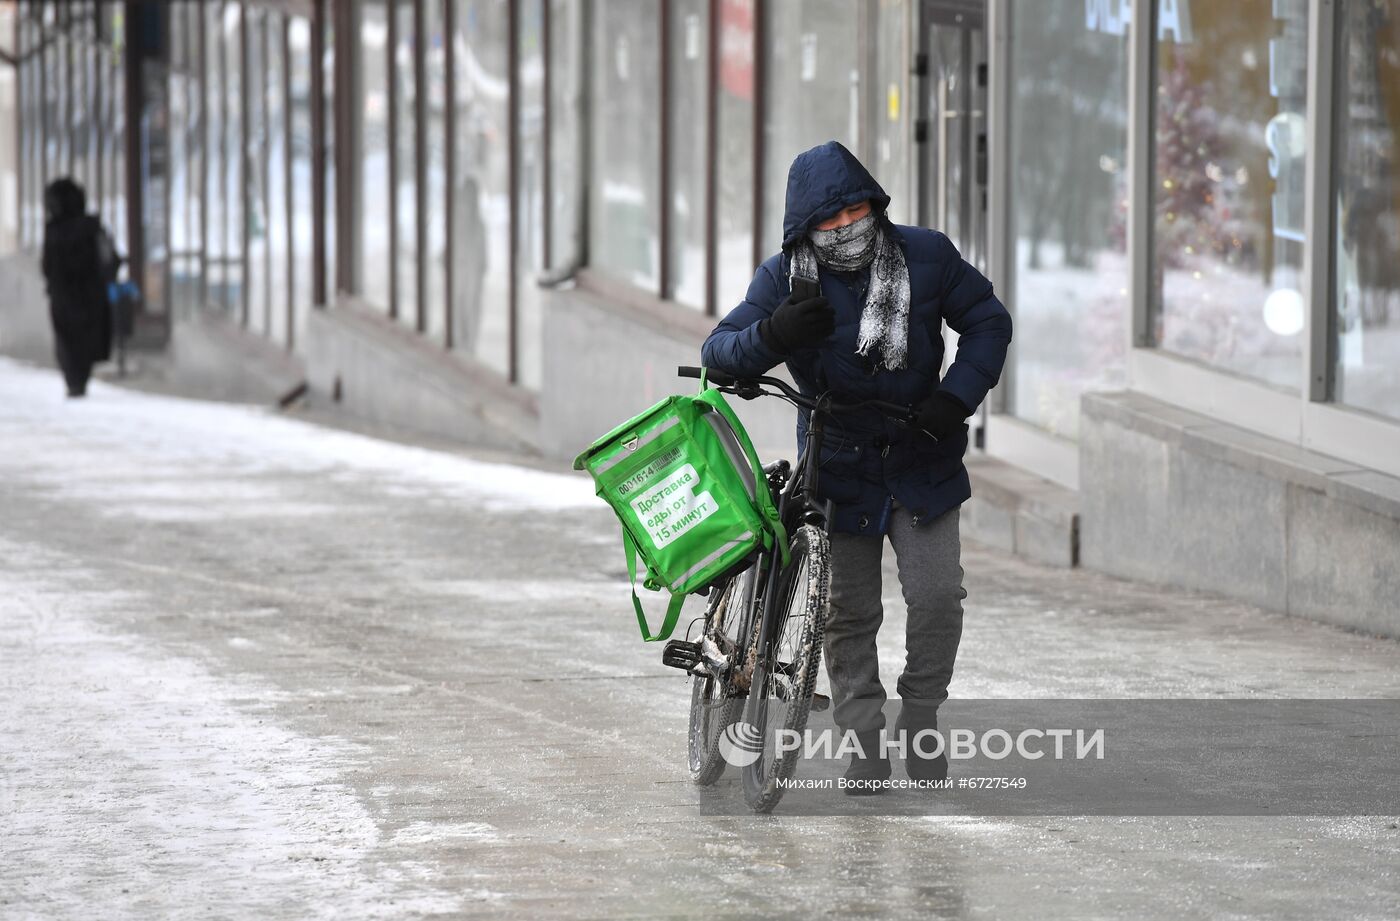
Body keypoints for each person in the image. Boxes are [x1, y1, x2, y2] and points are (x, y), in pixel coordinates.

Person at [700, 141, 1012, 794]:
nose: (846, 228)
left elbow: (986, 320)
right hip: (838, 461)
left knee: (937, 599)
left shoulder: (926, 256)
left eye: (855, 211)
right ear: (805, 227)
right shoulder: (785, 279)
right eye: (830, 220)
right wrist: (774, 336)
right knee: (847, 613)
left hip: (919, 453)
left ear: (875, 202)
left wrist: (954, 400)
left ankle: (920, 716)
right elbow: (718, 354)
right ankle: (864, 741)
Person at [42, 178, 118, 398]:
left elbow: (47, 265)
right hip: (90, 295)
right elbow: (108, 259)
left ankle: (75, 380)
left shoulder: (55, 230)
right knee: (85, 337)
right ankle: (79, 378)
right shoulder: (91, 226)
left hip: (64, 295)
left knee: (68, 339)